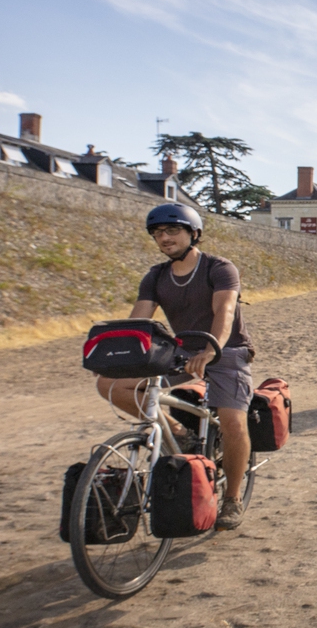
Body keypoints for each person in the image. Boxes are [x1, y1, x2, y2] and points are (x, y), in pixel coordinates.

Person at [96, 203, 254, 530]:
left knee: (232, 421)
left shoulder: (219, 268)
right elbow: (138, 319)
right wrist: (119, 353)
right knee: (110, 384)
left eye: (172, 231)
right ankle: (180, 433)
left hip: (227, 350)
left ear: (192, 233)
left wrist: (212, 348)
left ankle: (233, 498)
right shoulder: (156, 276)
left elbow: (224, 311)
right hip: (181, 351)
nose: (164, 238)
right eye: (157, 234)